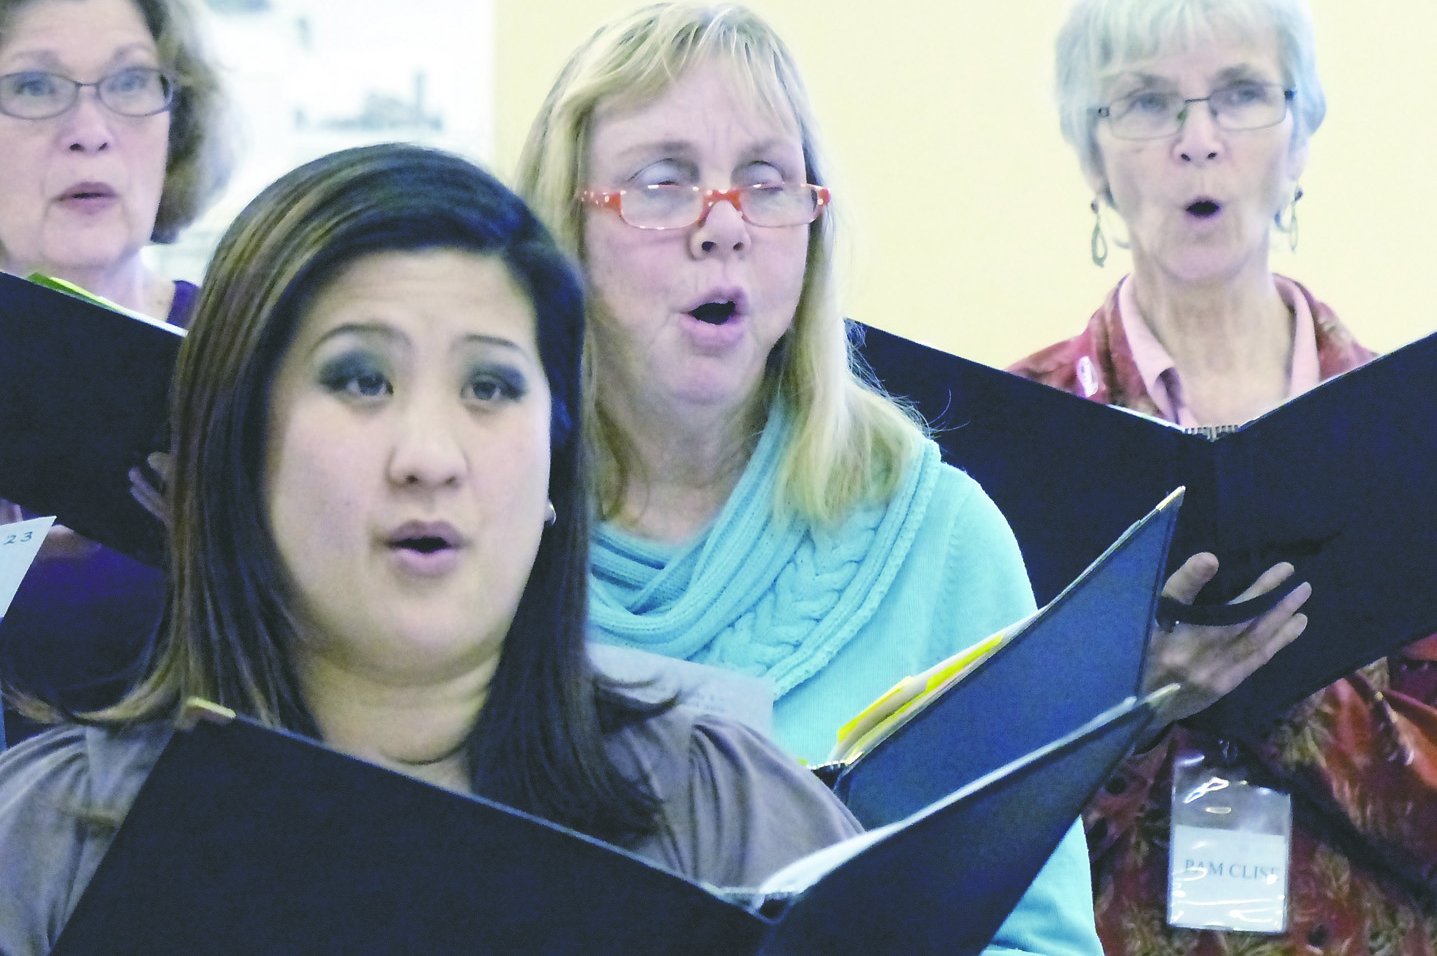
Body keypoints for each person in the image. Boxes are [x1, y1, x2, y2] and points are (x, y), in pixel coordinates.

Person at [0, 143, 862, 952]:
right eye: (360, 380)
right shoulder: (45, 843)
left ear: (555, 471)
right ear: (232, 448)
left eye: (489, 386)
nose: (429, 457)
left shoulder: (738, 822)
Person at [518, 0, 1133, 956]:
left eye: (765, 182)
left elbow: (1041, 941)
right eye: (661, 182)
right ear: (567, 234)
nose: (722, 229)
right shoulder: (487, 532)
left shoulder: (942, 540)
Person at [1009, 0, 1437, 955]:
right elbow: (961, 843)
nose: (1198, 137)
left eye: (1242, 92)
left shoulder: (1415, 428)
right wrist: (1133, 703)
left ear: (1299, 137)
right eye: (1149, 101)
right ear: (1092, 155)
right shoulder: (1011, 440)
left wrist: (1276, 678)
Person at [0, 0, 231, 747]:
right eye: (33, 86)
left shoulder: (248, 350)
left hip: (206, 834)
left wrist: (223, 547)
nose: (90, 129)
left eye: (132, 83)